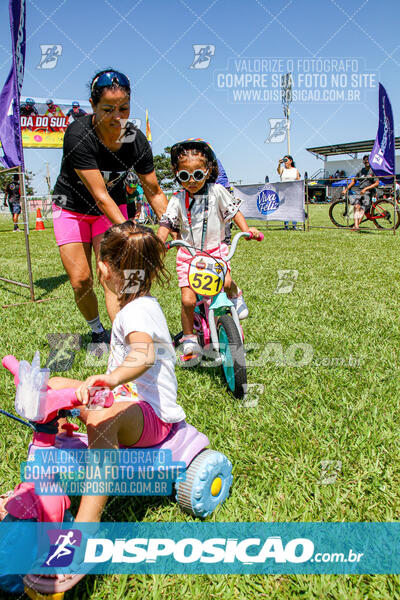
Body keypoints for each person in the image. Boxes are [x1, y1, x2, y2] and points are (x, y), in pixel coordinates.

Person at [24, 222, 186, 595]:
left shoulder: (140, 311)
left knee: (98, 418)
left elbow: (143, 355)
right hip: (123, 399)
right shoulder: (132, 304)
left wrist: (112, 380)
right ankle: (43, 475)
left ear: (103, 268)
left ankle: (85, 530)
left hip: (151, 415)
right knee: (52, 388)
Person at [51, 69, 169, 349]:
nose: (117, 116)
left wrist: (174, 223)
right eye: (107, 109)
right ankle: (96, 330)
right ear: (92, 106)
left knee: (115, 277)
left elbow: (153, 191)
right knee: (81, 280)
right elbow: (100, 195)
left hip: (111, 211)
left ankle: (122, 339)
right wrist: (134, 232)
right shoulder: (79, 133)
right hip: (73, 209)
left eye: (124, 108)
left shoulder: (134, 139)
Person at [158, 138, 262, 356]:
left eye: (198, 174)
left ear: (208, 170)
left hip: (215, 252)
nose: (192, 181)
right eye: (184, 176)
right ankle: (188, 337)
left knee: (227, 282)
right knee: (187, 299)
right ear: (177, 174)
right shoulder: (177, 199)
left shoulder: (217, 192)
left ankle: (236, 295)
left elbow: (234, 212)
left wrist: (247, 230)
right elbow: (166, 222)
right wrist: (159, 241)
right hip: (189, 255)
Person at [341, 155, 379, 231]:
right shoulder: (360, 171)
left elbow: (376, 183)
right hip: (360, 191)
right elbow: (353, 182)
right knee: (356, 206)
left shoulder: (373, 171)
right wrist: (346, 190)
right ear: (363, 162)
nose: (366, 162)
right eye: (365, 160)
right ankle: (356, 226)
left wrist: (366, 188)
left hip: (369, 192)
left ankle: (356, 226)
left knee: (362, 209)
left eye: (368, 160)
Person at [277, 154, 300, 230]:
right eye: (284, 160)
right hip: (284, 192)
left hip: (293, 192)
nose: (285, 162)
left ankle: (294, 225)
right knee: (285, 208)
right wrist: (279, 164)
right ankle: (286, 225)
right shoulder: (283, 169)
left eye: (286, 160)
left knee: (294, 208)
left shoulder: (295, 170)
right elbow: (278, 172)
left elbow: (298, 180)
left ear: (291, 161)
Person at [216, 157, 233, 244]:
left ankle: (226, 240)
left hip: (220, 186)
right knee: (225, 214)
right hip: (223, 185)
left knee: (225, 214)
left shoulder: (207, 158)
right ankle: (225, 239)